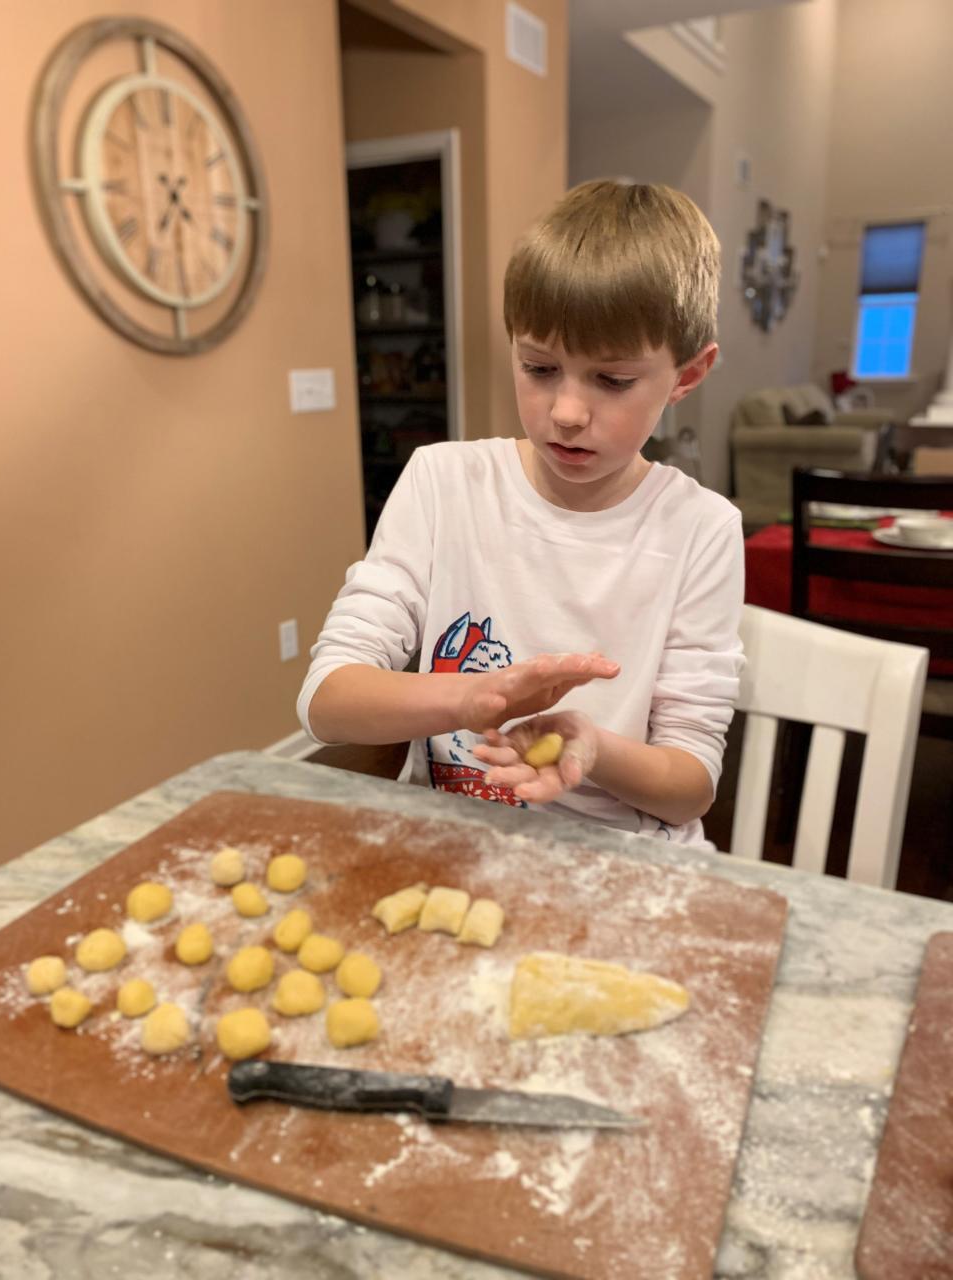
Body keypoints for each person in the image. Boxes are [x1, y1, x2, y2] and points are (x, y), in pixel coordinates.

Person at [297, 180, 744, 847]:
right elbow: (326, 702)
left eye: (612, 380)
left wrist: (592, 745)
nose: (565, 410)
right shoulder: (443, 483)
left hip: (625, 863)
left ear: (687, 375)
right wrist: (470, 700)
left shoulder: (700, 529)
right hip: (454, 842)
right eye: (539, 367)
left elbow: (689, 784)